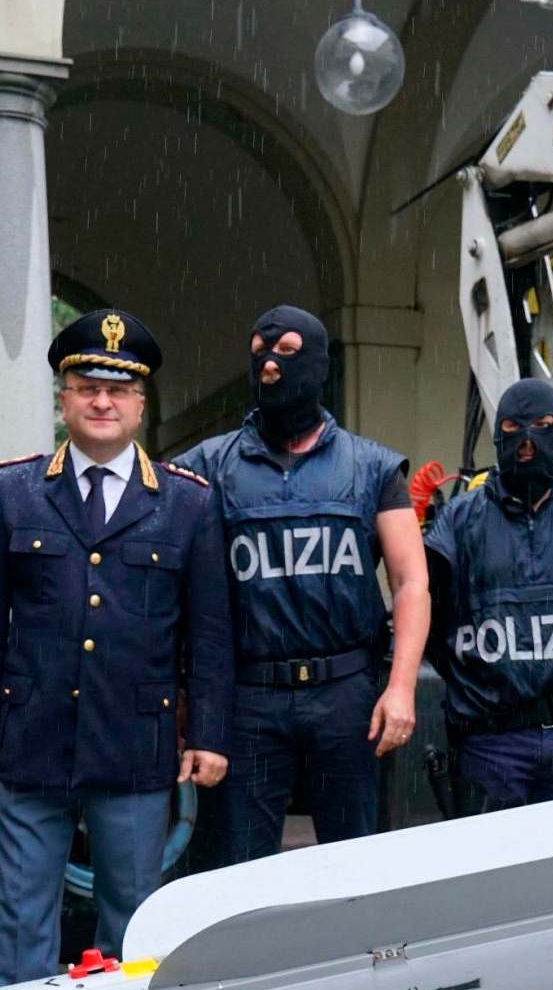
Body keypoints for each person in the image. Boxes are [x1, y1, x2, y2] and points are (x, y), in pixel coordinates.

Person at [0, 308, 233, 984]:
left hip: (134, 739)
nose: (101, 401)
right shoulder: (12, 491)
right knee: (21, 914)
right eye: (86, 387)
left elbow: (211, 631)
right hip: (32, 737)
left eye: (118, 390)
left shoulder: (188, 503)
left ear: (140, 405)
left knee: (132, 917)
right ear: (64, 398)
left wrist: (210, 734)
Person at [175, 305, 428, 864]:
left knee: (353, 865)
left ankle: (352, 956)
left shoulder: (372, 467)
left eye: (287, 352)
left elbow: (411, 581)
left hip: (347, 696)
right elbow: (170, 580)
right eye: (260, 351)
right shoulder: (205, 467)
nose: (270, 365)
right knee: (237, 868)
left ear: (317, 363)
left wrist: (402, 686)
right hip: (248, 699)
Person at [423, 378, 553, 813]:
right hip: (490, 744)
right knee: (490, 874)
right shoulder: (458, 522)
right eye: (514, 427)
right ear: (497, 435)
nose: (528, 441)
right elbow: (432, 624)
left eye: (543, 425)